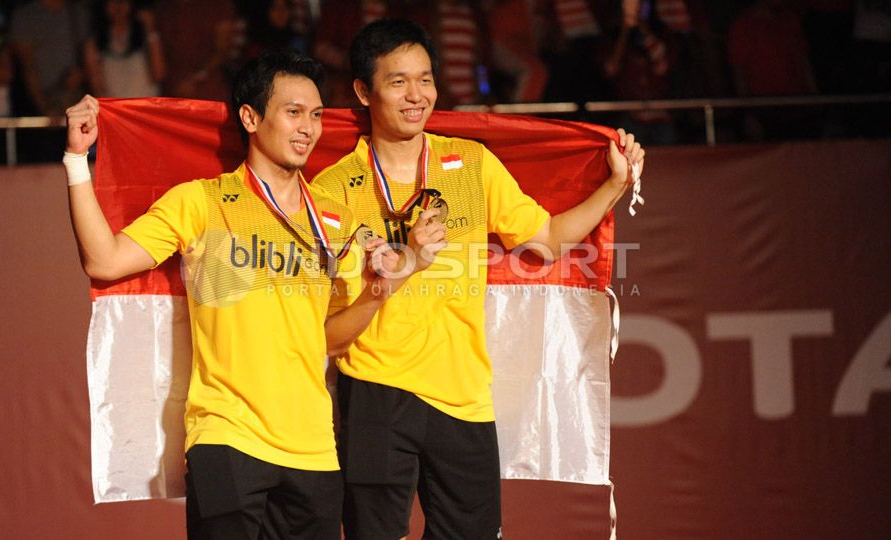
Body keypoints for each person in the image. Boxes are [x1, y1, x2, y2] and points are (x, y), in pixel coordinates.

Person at [311, 18, 645, 539]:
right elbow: (324, 321)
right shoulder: (331, 190)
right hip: (373, 391)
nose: (416, 94)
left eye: (425, 79)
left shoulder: (470, 164)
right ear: (362, 91)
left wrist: (613, 187)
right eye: (398, 81)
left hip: (463, 393)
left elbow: (545, 240)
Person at [63, 48, 406, 539]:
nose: (307, 128)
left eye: (314, 115)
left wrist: (375, 295)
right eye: (292, 113)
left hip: (314, 448)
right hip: (226, 437)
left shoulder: (336, 222)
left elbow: (327, 340)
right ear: (250, 117)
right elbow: (105, 260)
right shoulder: (201, 202)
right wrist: (77, 160)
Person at [83, 0, 166, 98]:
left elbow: (159, 74)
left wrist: (150, 30)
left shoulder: (145, 36)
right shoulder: (94, 43)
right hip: (116, 109)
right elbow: (97, 88)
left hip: (145, 105)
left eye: (123, 1)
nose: (118, 6)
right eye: (113, 2)